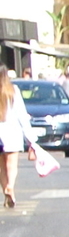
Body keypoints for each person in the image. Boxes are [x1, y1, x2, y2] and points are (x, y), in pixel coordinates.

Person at [0, 69, 30, 208]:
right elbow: (21, 114)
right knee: (12, 165)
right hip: (13, 132)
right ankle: (10, 187)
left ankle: (5, 189)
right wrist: (30, 136)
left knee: (2, 167)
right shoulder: (13, 90)